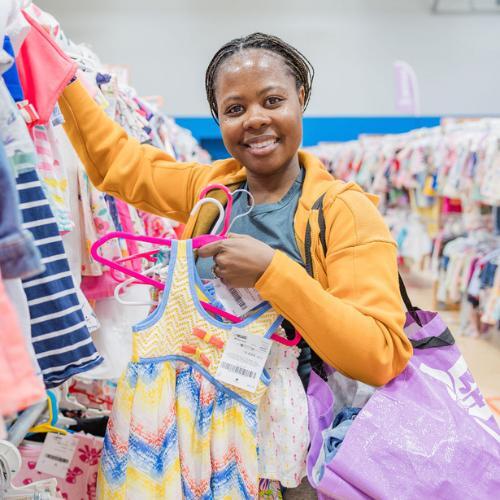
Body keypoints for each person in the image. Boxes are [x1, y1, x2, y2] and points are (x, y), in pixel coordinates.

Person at [59, 32, 412, 497]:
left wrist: (272, 272)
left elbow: (380, 354)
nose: (256, 120)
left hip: (292, 453)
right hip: (202, 435)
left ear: (300, 99)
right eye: (235, 109)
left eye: (272, 100)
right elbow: (119, 166)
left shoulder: (343, 211)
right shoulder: (215, 190)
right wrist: (60, 76)